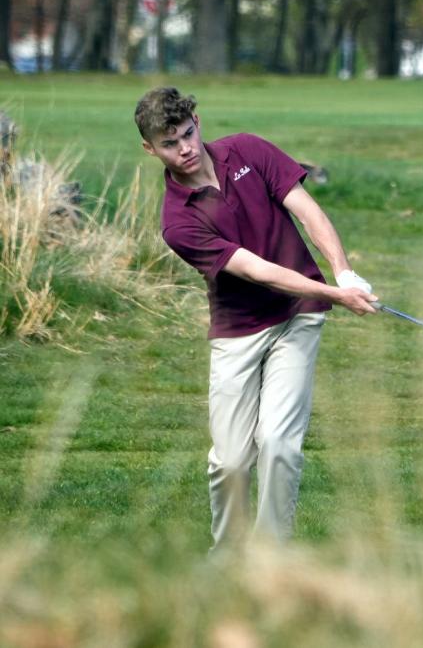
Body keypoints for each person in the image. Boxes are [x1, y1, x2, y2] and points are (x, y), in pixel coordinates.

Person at [134, 87, 378, 549]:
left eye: (188, 133)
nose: (184, 148)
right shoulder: (177, 221)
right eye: (169, 144)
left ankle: (270, 560)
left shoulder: (248, 150)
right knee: (230, 461)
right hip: (239, 332)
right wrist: (336, 294)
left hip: (298, 318)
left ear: (198, 121)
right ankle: (227, 559)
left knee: (279, 444)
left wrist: (345, 271)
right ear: (150, 148)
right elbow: (257, 270)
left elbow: (308, 212)